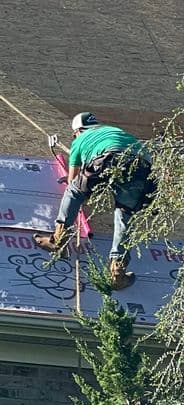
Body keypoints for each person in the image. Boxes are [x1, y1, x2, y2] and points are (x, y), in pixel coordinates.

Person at [33, 112, 156, 290]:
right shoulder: (112, 131)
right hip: (142, 167)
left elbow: (73, 180)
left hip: (109, 157)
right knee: (124, 214)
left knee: (74, 191)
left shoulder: (80, 140)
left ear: (78, 131)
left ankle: (57, 240)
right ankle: (117, 273)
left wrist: (82, 193)